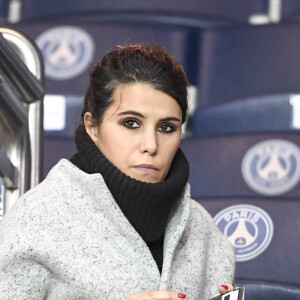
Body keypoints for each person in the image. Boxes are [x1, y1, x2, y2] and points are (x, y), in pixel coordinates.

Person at [0, 44, 235, 299]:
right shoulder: (37, 219)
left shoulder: (202, 228)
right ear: (92, 126)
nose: (150, 145)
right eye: (130, 123)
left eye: (166, 128)